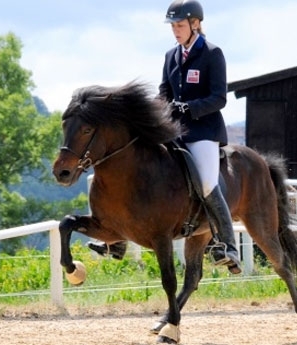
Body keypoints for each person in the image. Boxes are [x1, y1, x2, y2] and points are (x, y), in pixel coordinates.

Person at [88, 0, 241, 275]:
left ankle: (228, 245)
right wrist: (157, 112)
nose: (175, 31)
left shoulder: (212, 54)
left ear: (195, 24)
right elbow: (163, 92)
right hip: (173, 129)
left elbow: (218, 98)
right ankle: (115, 238)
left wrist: (189, 108)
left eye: (180, 25)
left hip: (203, 132)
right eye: (173, 26)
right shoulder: (171, 56)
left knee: (206, 182)